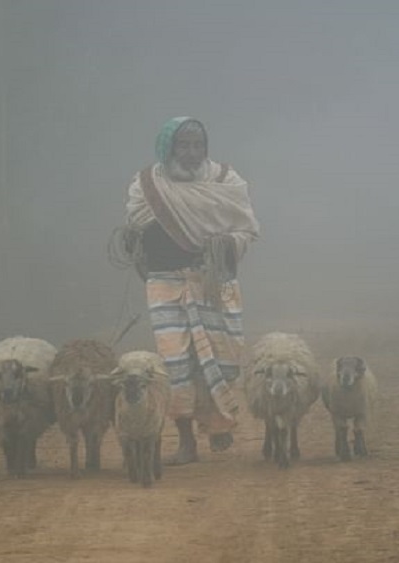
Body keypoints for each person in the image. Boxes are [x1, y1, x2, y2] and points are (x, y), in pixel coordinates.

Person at [123, 116, 260, 465]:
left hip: (215, 284)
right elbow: (136, 226)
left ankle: (219, 423)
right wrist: (135, 240)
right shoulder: (147, 185)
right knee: (176, 363)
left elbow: (246, 229)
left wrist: (222, 244)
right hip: (165, 283)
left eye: (198, 145)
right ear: (168, 147)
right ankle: (186, 444)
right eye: (183, 145)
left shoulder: (227, 181)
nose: (191, 152)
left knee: (223, 357)